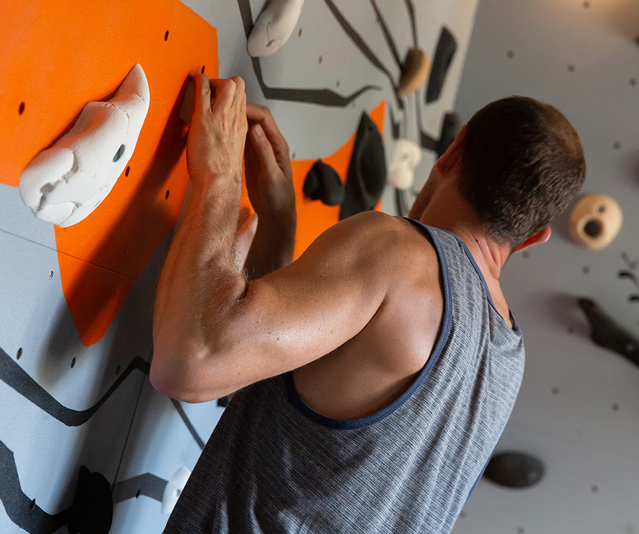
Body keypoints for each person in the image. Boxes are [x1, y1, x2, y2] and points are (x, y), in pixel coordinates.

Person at [153, 73, 586, 533]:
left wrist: (219, 173)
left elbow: (190, 362)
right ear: (534, 237)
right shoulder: (507, 361)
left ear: (454, 151)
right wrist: (278, 226)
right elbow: (314, 426)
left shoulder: (399, 253)